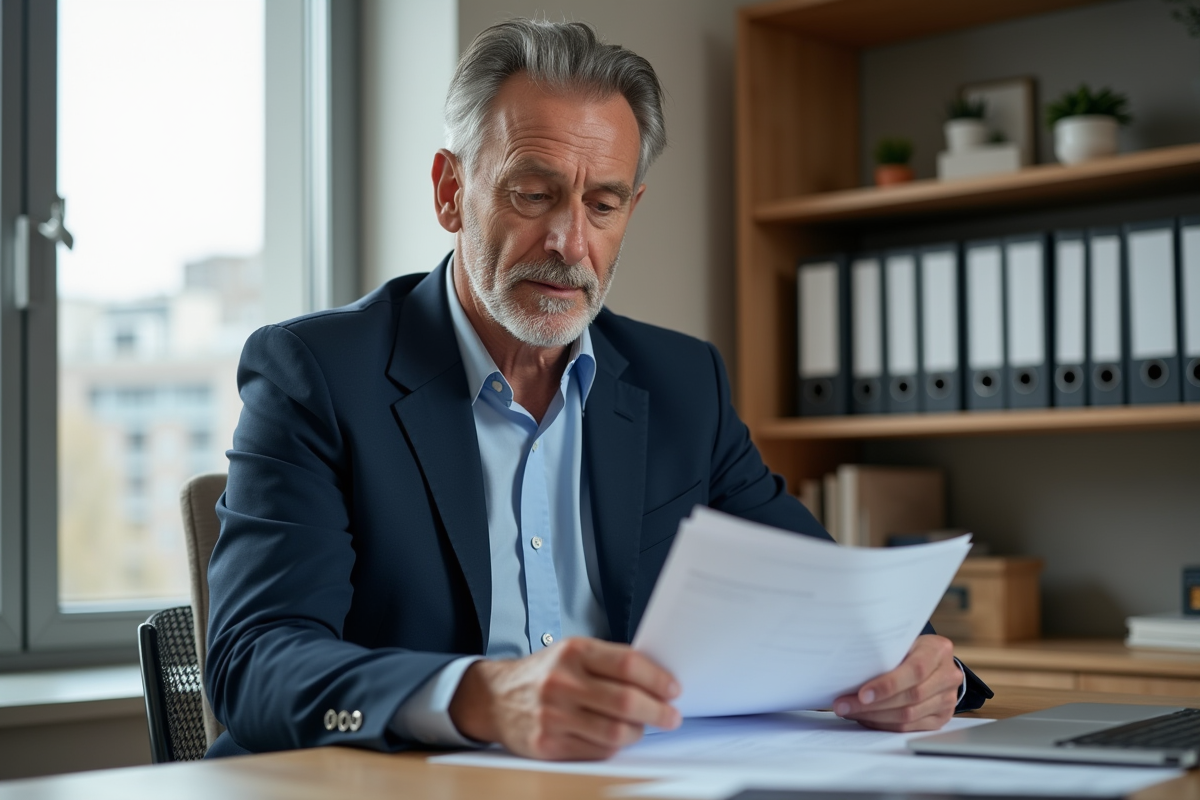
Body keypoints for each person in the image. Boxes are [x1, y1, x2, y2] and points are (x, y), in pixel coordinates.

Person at [204, 18, 990, 762]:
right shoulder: (316, 373)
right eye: (533, 193)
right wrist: (480, 697)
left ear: (630, 210)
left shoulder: (683, 384)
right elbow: (255, 662)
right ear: (450, 191)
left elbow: (833, 611)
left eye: (602, 203)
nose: (569, 243)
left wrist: (921, 670)